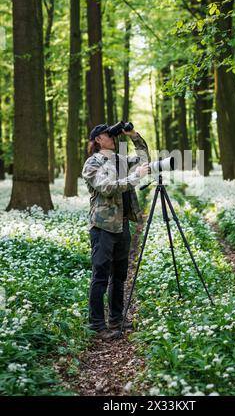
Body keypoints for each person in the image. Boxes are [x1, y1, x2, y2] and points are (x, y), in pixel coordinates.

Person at [81, 123, 150, 341]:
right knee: (100, 276)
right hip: (103, 226)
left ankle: (117, 318)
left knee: (119, 276)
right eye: (107, 134)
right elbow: (107, 187)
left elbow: (143, 159)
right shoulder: (92, 163)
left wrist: (132, 135)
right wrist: (134, 178)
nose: (112, 136)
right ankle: (97, 324)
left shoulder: (120, 160)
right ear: (98, 139)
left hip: (121, 225)